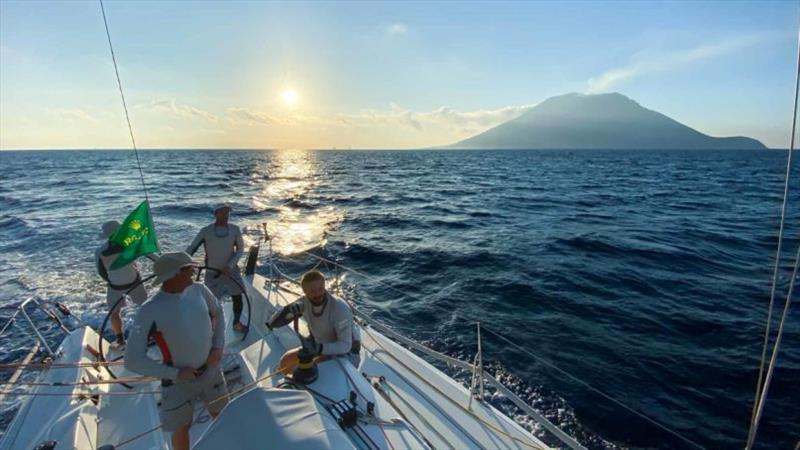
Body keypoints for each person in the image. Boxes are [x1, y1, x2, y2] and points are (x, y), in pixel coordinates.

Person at [124, 252, 228, 450]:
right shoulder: (149, 310)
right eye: (189, 269)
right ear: (175, 274)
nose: (194, 272)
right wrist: (176, 373)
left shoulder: (200, 289)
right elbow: (132, 360)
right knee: (182, 428)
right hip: (178, 382)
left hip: (212, 369)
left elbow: (219, 311)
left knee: (223, 415)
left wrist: (218, 347)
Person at [268, 270, 361, 374]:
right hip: (320, 347)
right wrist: (288, 310)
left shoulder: (339, 308)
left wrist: (319, 348)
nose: (317, 294)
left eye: (320, 289)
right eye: (312, 291)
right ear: (304, 291)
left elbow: (345, 346)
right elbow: (273, 323)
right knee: (285, 362)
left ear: (325, 286)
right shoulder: (303, 303)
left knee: (312, 369)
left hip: (347, 354)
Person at [186, 203, 247, 332]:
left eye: (228, 213)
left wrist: (229, 266)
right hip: (212, 272)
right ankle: (208, 328)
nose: (226, 215)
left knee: (238, 297)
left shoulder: (235, 229)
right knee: (210, 302)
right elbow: (191, 249)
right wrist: (181, 261)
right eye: (223, 212)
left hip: (231, 271)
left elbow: (240, 249)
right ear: (216, 214)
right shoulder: (205, 231)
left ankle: (236, 323)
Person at [95, 220, 154, 349]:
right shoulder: (131, 245)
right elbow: (152, 256)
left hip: (115, 286)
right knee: (145, 308)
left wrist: (113, 280)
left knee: (114, 313)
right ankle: (151, 335)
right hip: (135, 283)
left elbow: (101, 272)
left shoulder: (100, 251)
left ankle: (120, 340)